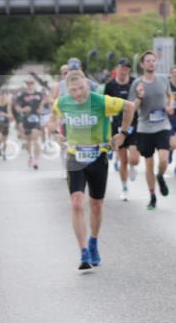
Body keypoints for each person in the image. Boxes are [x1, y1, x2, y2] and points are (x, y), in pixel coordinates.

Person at [50, 71, 135, 270]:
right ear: (67, 89)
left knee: (96, 205)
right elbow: (52, 119)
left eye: (80, 89)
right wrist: (56, 133)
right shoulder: (62, 102)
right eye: (73, 90)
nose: (77, 94)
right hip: (75, 158)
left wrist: (122, 134)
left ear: (87, 86)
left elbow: (129, 106)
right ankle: (83, 252)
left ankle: (93, 242)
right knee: (77, 203)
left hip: (98, 157)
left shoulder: (101, 101)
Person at [131, 51, 173, 211]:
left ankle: (160, 176)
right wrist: (139, 97)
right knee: (149, 164)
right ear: (142, 64)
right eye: (148, 61)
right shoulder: (137, 83)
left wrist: (169, 105)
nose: (151, 63)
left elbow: (170, 96)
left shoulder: (163, 79)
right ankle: (152, 196)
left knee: (163, 159)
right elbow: (132, 107)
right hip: (145, 127)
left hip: (162, 125)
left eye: (153, 61)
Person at [103, 58, 141, 200]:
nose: (124, 70)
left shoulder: (134, 83)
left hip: (134, 124)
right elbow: (105, 106)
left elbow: (139, 100)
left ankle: (133, 167)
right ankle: (124, 187)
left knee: (135, 158)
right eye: (122, 67)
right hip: (116, 126)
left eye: (127, 68)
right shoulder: (110, 85)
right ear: (117, 69)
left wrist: (140, 97)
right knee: (123, 160)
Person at [13, 77, 47, 169]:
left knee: (35, 140)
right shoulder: (22, 95)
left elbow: (43, 105)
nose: (30, 85)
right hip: (26, 120)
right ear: (26, 84)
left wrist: (41, 109)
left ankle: (36, 160)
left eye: (31, 83)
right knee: (28, 141)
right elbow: (16, 108)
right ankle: (31, 156)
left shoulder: (39, 94)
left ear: (34, 84)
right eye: (28, 83)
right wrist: (23, 109)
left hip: (36, 119)